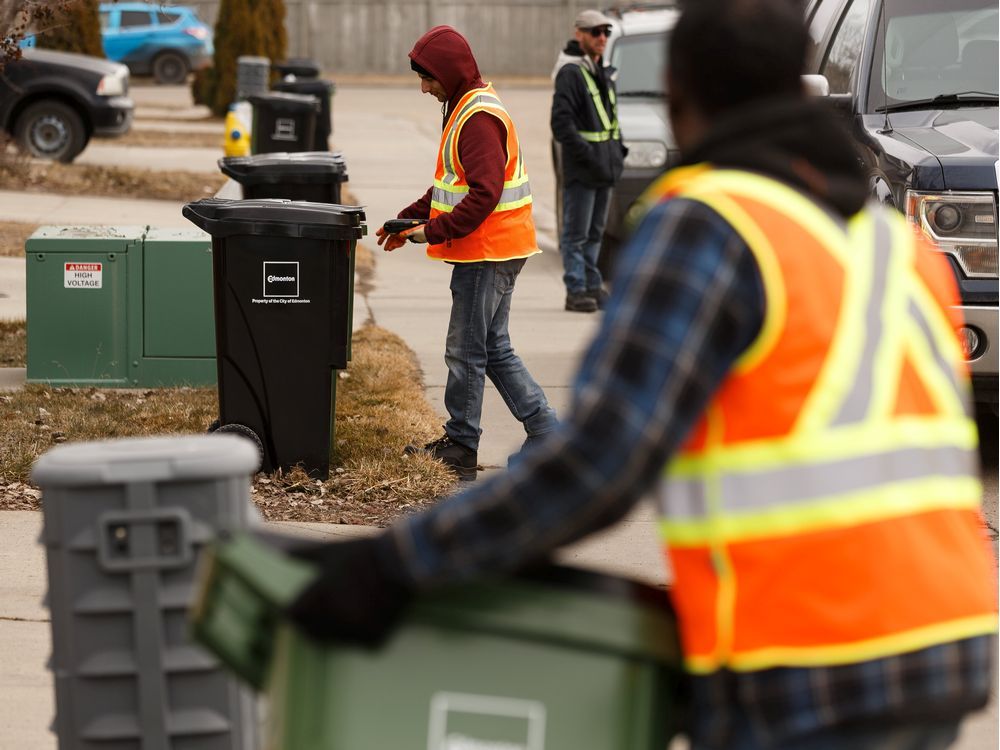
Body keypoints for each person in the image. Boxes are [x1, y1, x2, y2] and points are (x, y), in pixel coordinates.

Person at [289, 1, 998, 747]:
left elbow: (598, 462)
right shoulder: (897, 247)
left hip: (811, 654)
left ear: (683, 97)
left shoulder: (713, 224)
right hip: (941, 639)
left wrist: (393, 567)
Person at [373, 25, 558, 482]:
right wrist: (408, 218)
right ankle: (546, 432)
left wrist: (429, 232)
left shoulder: (476, 117)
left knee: (465, 350)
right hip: (498, 247)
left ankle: (461, 444)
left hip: (487, 251)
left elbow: (484, 194)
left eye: (429, 78)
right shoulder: (464, 106)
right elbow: (448, 187)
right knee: (492, 348)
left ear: (450, 72)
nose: (424, 87)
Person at [551, 9, 626, 313]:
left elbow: (611, 121)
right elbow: (561, 125)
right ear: (578, 33)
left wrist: (617, 153)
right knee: (576, 234)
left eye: (606, 32)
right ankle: (576, 289)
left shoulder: (602, 70)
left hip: (604, 168)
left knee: (596, 233)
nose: (602, 38)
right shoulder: (570, 72)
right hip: (584, 170)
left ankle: (592, 285)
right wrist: (589, 155)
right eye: (595, 32)